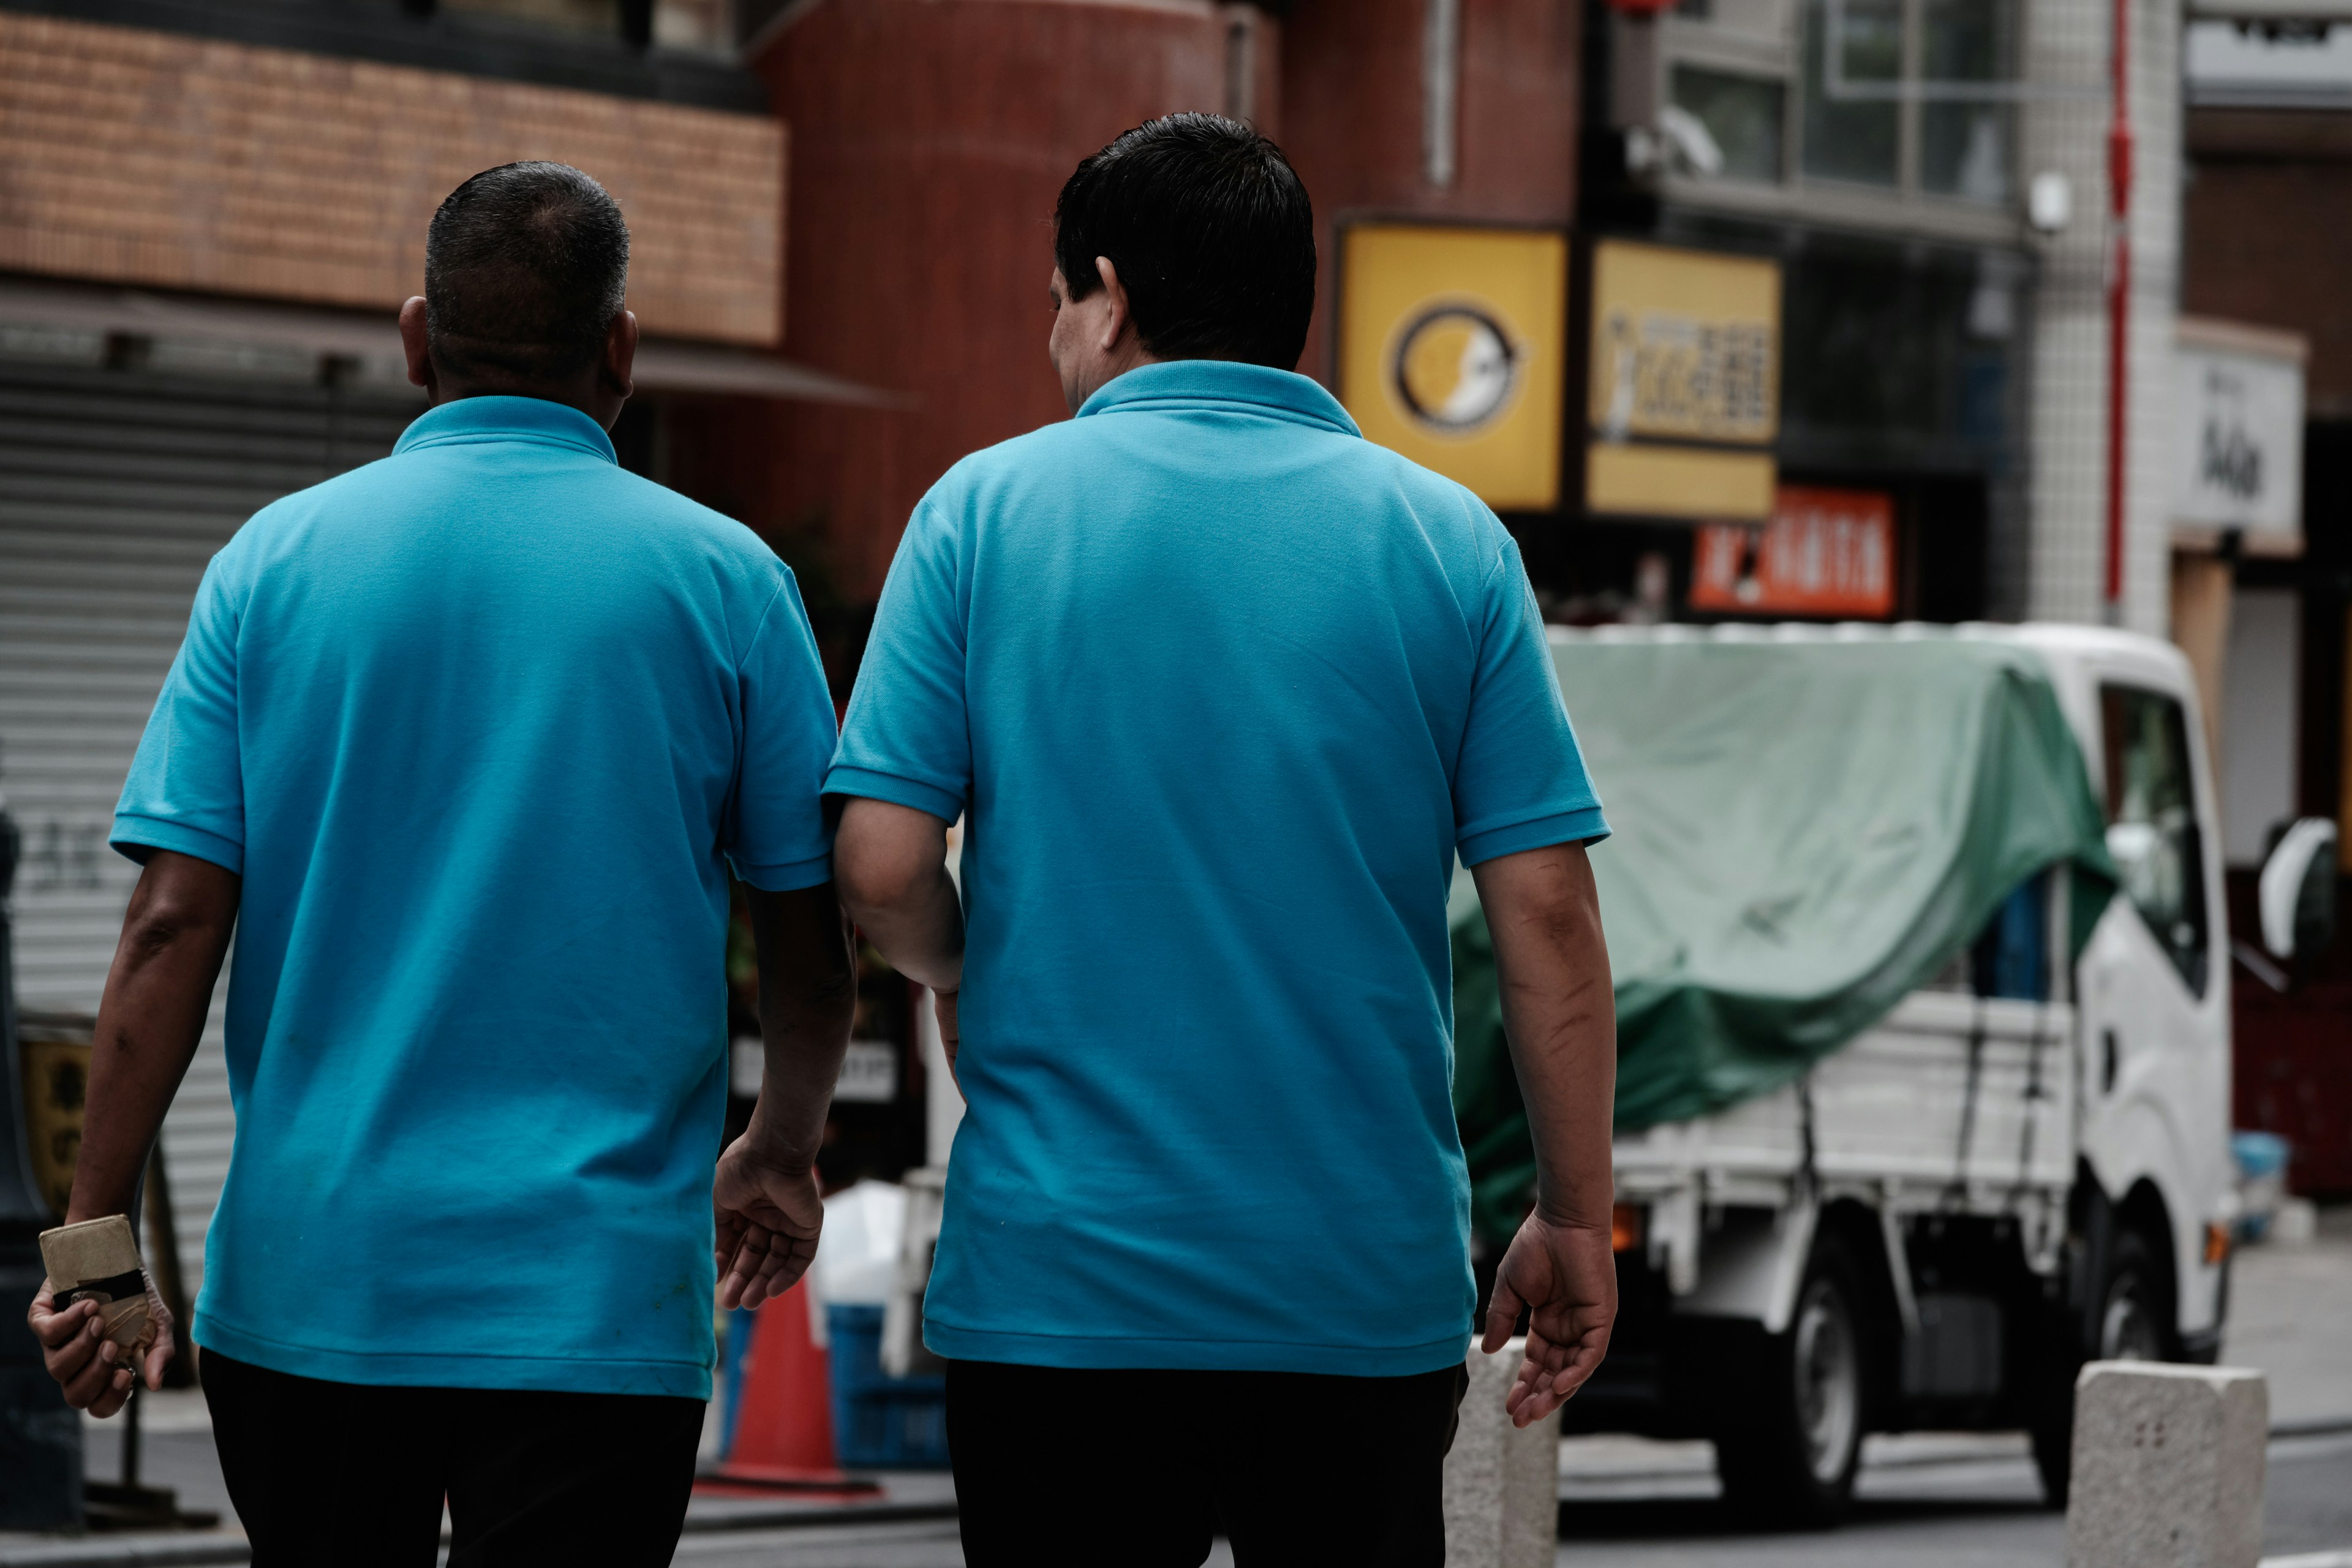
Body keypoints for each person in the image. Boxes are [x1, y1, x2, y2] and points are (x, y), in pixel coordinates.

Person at [25, 162, 854, 1566]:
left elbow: (171, 926)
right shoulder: (730, 581)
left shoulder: (272, 564)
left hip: (315, 1290)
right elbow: (811, 930)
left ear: (417, 340)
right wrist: (778, 1151)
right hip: (594, 1311)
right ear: (622, 350)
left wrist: (94, 1248)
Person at [821, 115, 1619, 1566]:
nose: (1055, 337)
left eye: (1060, 301)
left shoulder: (980, 515)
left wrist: (959, 965)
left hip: (1058, 1294)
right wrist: (1572, 1214)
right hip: (1353, 1295)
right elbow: (1547, 911)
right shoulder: (1450, 543)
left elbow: (877, 869)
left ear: (1111, 293)